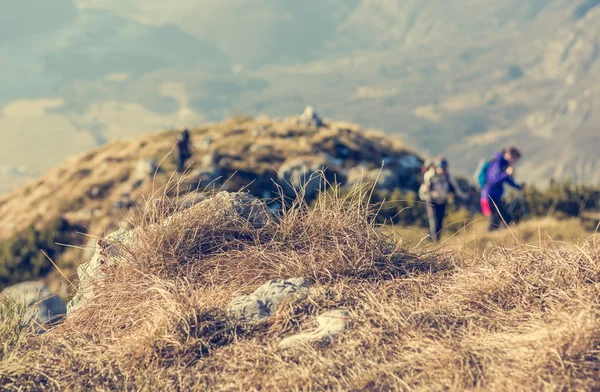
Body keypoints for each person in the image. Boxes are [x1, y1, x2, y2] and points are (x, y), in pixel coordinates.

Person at [419, 157, 468, 242]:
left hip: (442, 201)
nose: (444, 169)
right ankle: (432, 241)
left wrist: (464, 196)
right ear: (437, 167)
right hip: (431, 201)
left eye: (445, 167)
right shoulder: (430, 175)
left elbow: (455, 187)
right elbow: (423, 190)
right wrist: (427, 192)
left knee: (440, 222)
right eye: (442, 167)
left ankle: (435, 241)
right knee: (434, 222)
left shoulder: (447, 176)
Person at [480, 147, 524, 231]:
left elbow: (506, 179)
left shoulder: (503, 164)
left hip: (495, 195)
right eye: (515, 159)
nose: (514, 162)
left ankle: (492, 236)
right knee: (498, 218)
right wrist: (506, 173)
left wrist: (517, 186)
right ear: (510, 155)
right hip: (490, 195)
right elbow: (493, 180)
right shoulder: (498, 163)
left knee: (500, 218)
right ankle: (489, 236)